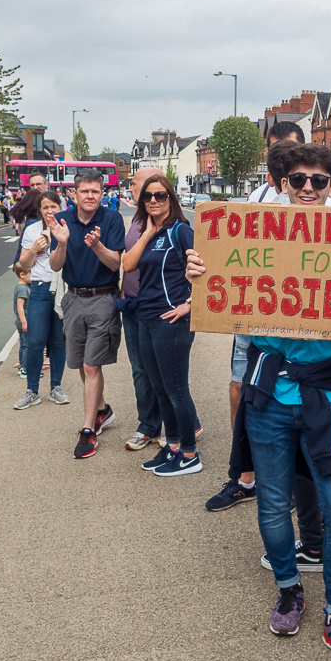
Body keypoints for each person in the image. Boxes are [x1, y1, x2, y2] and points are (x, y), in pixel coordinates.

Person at [186, 142, 331, 661]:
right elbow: (224, 289)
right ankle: (287, 589)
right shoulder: (248, 235)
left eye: (319, 181)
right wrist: (200, 275)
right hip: (268, 396)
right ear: (282, 181)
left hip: (326, 395)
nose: (307, 188)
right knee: (273, 504)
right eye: (298, 179)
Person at [206, 122, 306, 511]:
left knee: (293, 397)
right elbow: (231, 253)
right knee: (239, 388)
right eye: (275, 149)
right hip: (254, 314)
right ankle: (246, 476)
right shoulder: (257, 198)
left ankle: (292, 481)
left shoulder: (322, 203)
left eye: (290, 149)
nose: (282, 155)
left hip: (299, 317)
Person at [122, 173, 201, 476]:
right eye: (148, 196)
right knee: (159, 388)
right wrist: (147, 231)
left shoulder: (181, 231)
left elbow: (208, 270)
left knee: (176, 389)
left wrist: (189, 304)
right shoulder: (150, 233)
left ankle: (190, 454)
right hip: (146, 317)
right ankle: (174, 446)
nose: (154, 200)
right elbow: (128, 265)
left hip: (172, 321)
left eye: (161, 195)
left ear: (171, 198)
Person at [47, 172, 125, 458]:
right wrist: (63, 243)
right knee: (80, 363)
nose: (90, 196)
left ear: (102, 193)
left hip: (103, 297)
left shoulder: (112, 219)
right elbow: (56, 266)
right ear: (74, 193)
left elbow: (115, 262)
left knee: (92, 366)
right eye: (84, 191)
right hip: (73, 298)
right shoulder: (63, 220)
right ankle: (102, 410)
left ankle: (88, 430)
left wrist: (97, 246)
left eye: (95, 191)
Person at [120, 166, 168, 451]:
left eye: (151, 185)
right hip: (132, 303)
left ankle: (177, 424)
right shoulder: (137, 218)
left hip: (159, 306)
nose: (138, 189)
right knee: (140, 369)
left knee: (163, 371)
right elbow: (126, 261)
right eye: (140, 185)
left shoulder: (171, 223)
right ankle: (148, 425)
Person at [13, 190, 70, 409]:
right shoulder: (32, 230)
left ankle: (56, 387)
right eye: (45, 207)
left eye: (53, 206)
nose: (49, 211)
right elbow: (23, 265)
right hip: (39, 288)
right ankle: (32, 391)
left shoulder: (67, 227)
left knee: (58, 341)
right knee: (35, 341)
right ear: (39, 210)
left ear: (60, 207)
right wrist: (35, 248)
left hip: (62, 288)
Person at [14, 266, 31, 377]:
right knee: (26, 345)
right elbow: (20, 306)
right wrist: (24, 322)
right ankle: (25, 368)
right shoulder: (23, 289)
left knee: (23, 344)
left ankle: (22, 365)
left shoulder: (20, 286)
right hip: (24, 321)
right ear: (22, 275)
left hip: (21, 321)